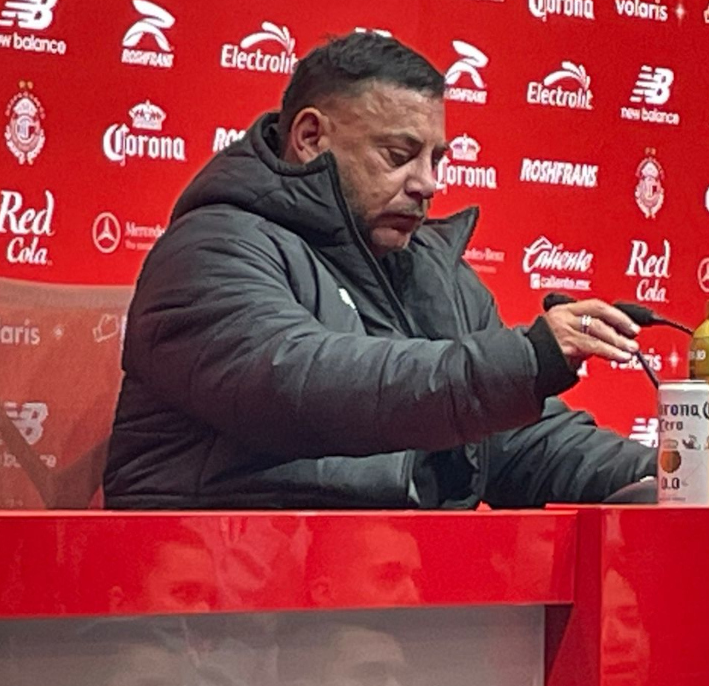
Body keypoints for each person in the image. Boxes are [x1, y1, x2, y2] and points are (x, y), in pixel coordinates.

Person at [105, 32, 655, 509]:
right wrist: (524, 359)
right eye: (398, 155)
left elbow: (520, 443)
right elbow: (306, 384)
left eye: (435, 159)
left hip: (382, 592)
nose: (427, 184)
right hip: (212, 595)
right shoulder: (209, 248)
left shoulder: (435, 273)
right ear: (311, 138)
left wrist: (679, 478)